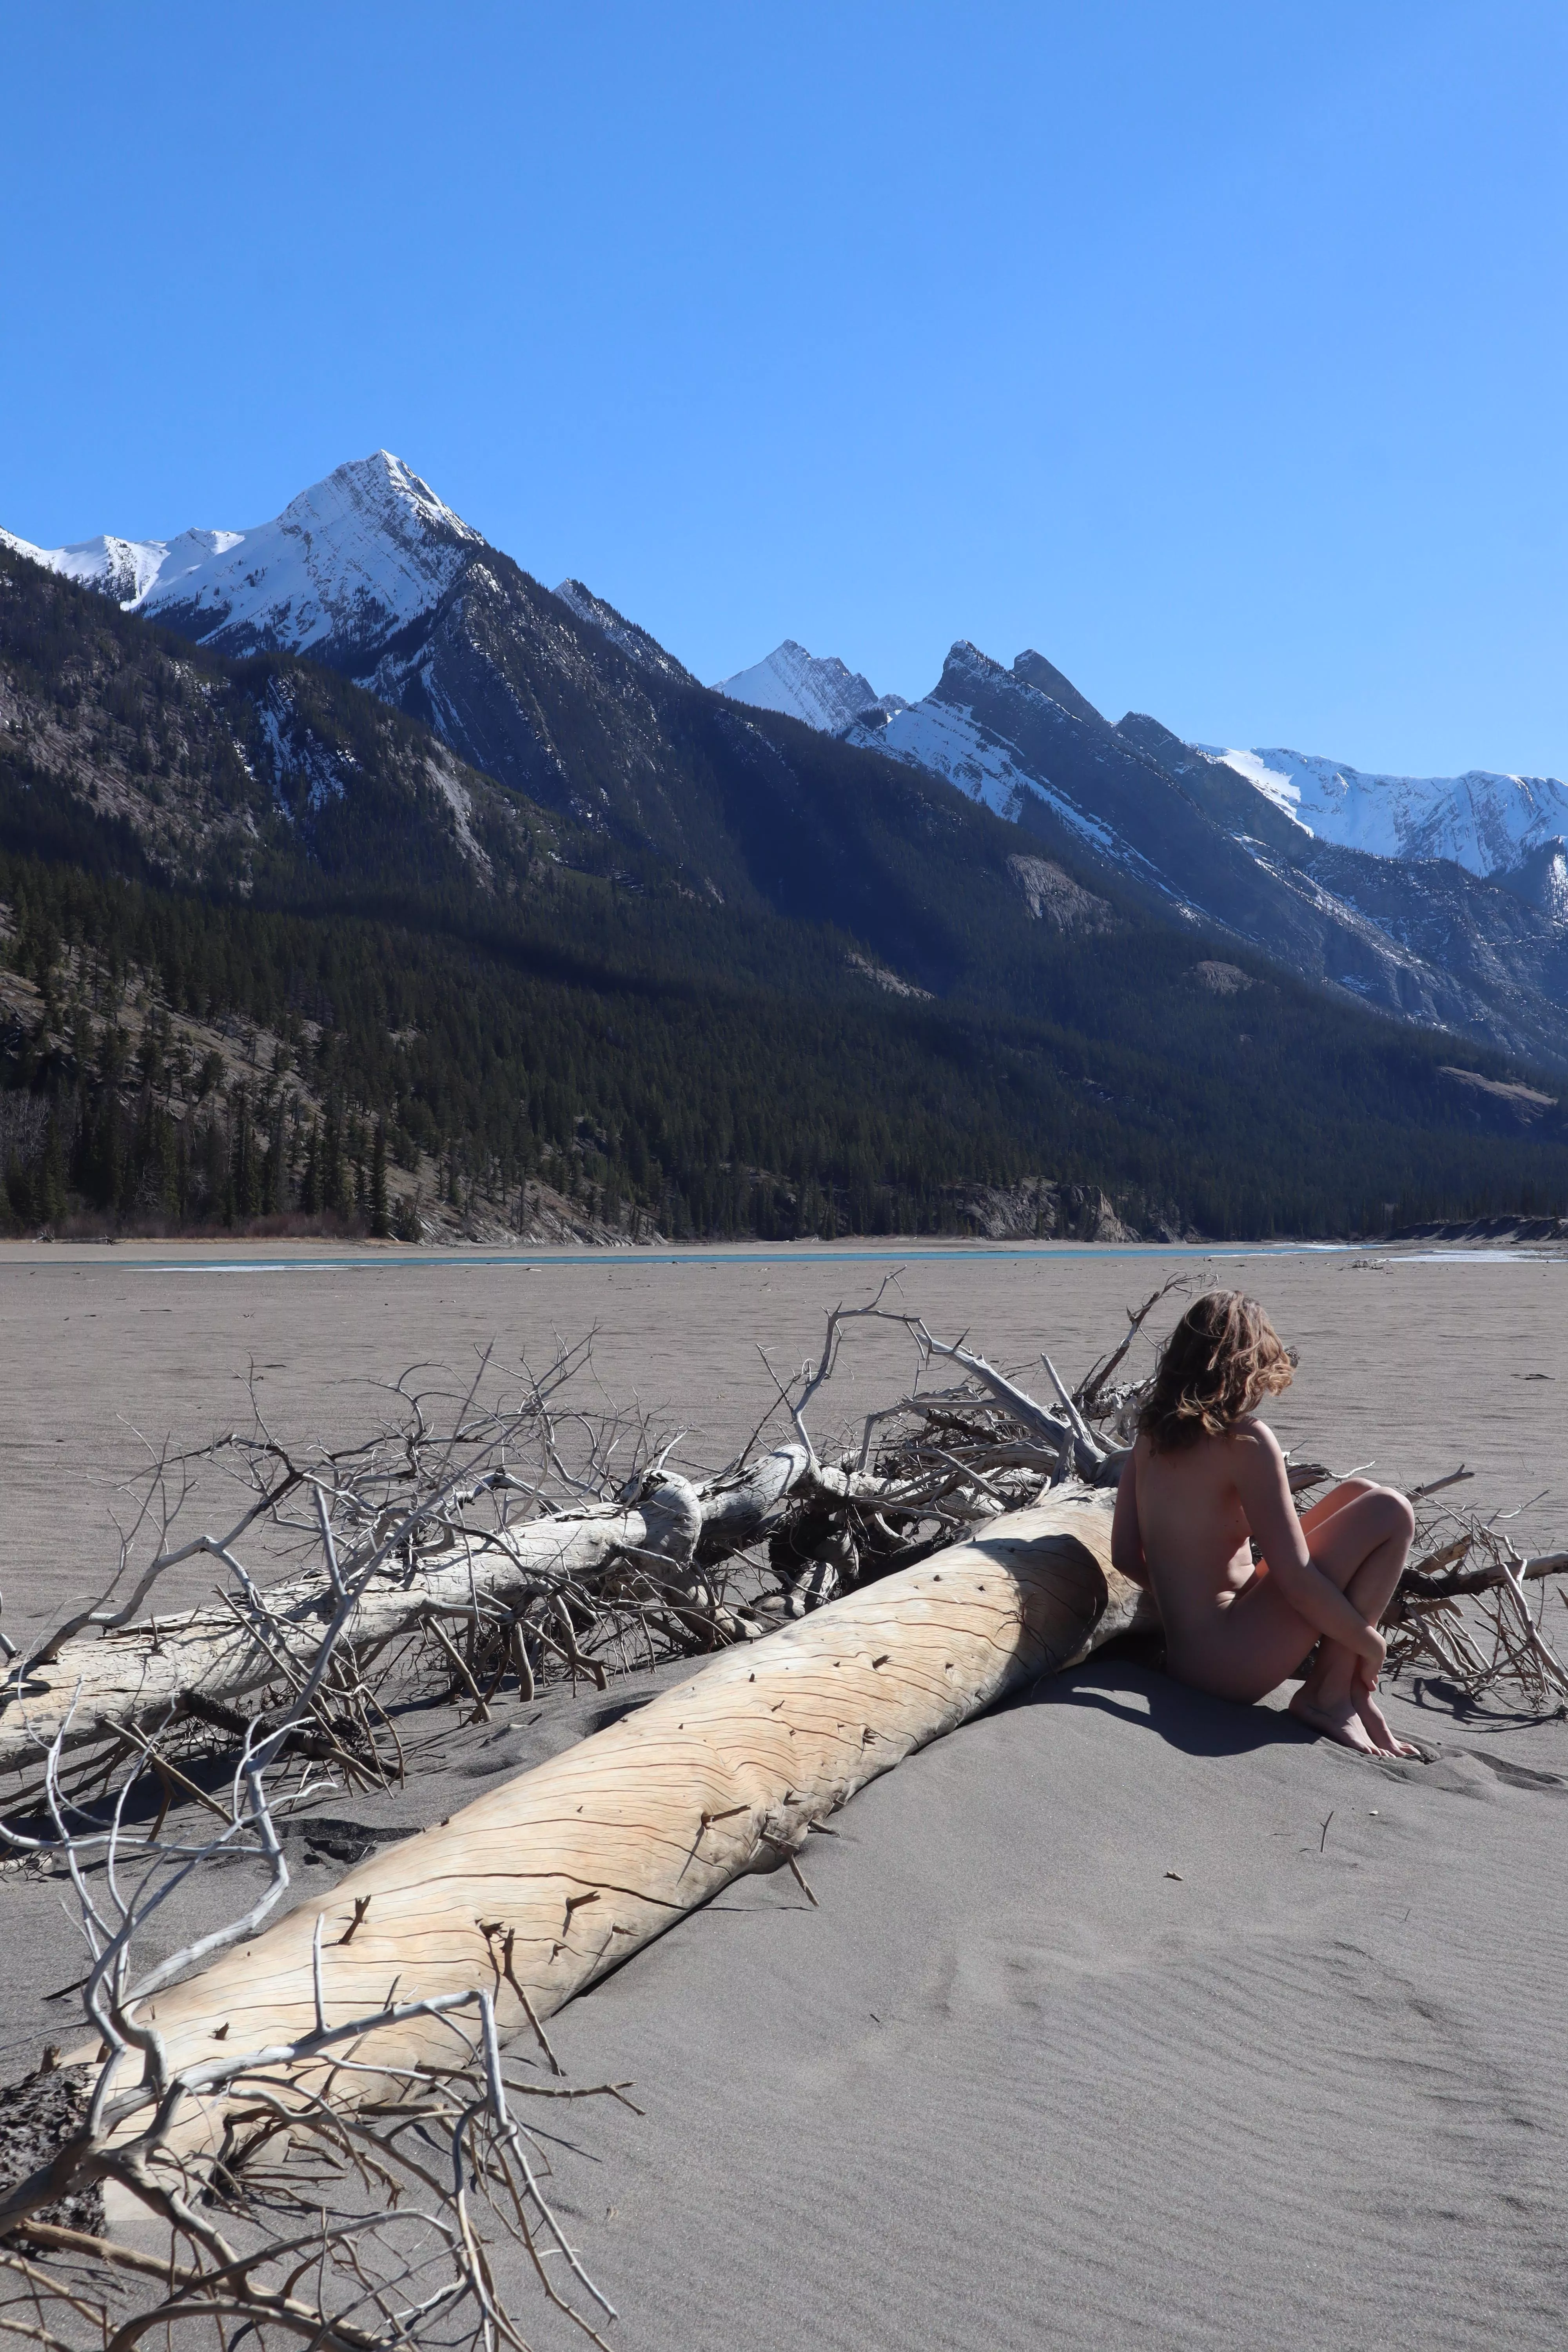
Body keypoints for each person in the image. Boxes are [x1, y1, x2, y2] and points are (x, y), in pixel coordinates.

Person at [1111, 1289, 1420, 1757]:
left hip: (1186, 1657)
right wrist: (1370, 1644)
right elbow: (1295, 1580)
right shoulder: (1246, 1441)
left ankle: (1339, 1691)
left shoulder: (1149, 1437)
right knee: (1391, 1510)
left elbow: (1124, 1556)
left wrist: (1183, 1597)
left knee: (1360, 1494)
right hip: (1231, 1663)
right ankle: (1331, 1695)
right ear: (1247, 1366)